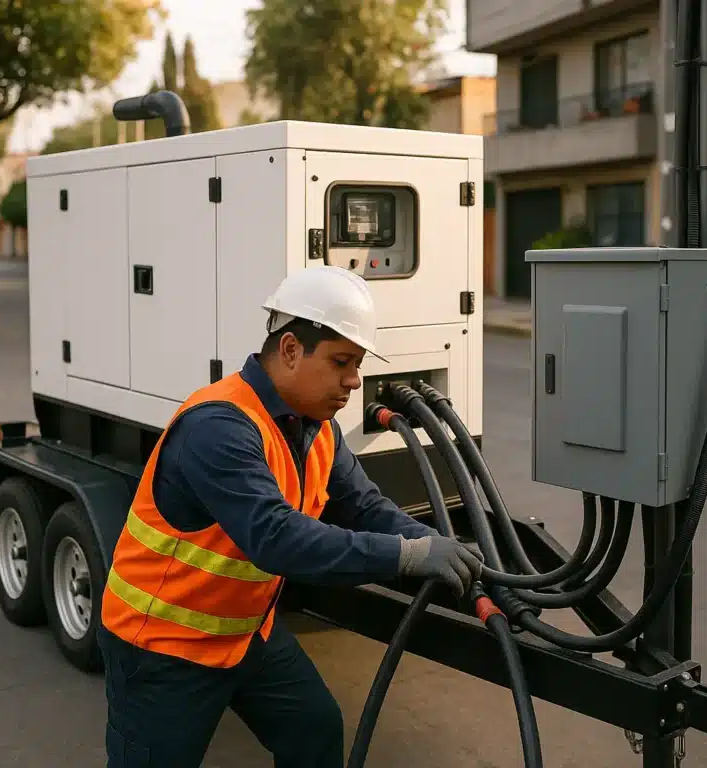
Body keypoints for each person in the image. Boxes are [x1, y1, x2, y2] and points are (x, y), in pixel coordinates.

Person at [97, 265, 483, 768]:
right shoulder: (219, 425)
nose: (354, 380)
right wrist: (407, 556)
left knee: (315, 732)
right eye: (342, 361)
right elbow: (276, 538)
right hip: (165, 646)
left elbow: (364, 507)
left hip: (245, 632)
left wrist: (437, 547)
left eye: (358, 363)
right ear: (290, 350)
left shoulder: (316, 428)